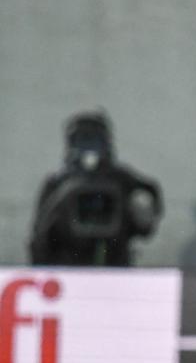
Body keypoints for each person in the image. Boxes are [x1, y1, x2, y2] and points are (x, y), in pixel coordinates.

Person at [29, 111, 162, 267]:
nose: (89, 145)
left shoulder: (121, 179)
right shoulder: (58, 183)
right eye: (83, 139)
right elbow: (41, 234)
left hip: (113, 261)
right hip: (69, 264)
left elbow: (145, 221)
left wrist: (142, 213)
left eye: (94, 139)